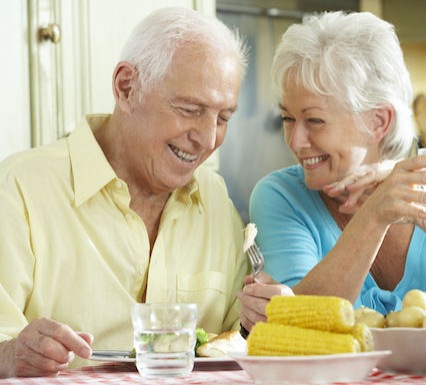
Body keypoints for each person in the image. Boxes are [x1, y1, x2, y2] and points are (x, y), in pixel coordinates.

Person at [238, 11, 426, 332]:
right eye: (287, 119)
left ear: (378, 122)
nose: (295, 140)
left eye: (314, 121)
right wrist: (374, 215)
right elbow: (301, 325)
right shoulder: (281, 197)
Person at [0, 7, 249, 377]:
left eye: (224, 117)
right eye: (190, 109)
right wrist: (10, 356)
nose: (209, 138)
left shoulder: (214, 197)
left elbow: (236, 342)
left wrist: (260, 320)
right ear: (126, 88)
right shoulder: (20, 187)